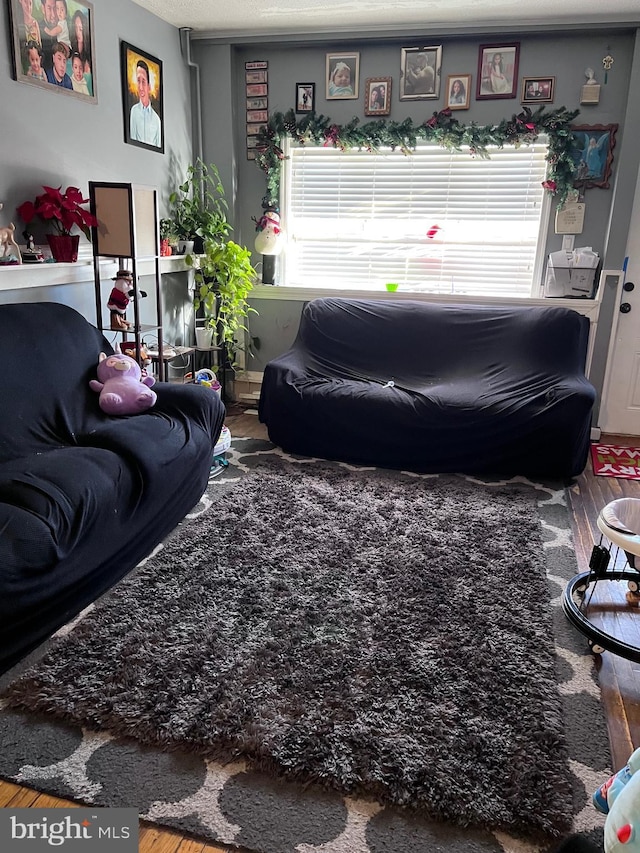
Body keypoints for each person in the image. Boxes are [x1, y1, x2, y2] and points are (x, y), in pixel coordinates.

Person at [129, 59, 162, 146]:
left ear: (149, 86)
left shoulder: (156, 120)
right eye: (138, 81)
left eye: (143, 82)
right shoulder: (134, 112)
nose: (140, 87)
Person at [39, 0, 59, 72]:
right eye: (49, 8)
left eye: (55, 8)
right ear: (43, 9)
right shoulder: (37, 28)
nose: (53, 14)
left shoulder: (63, 29)